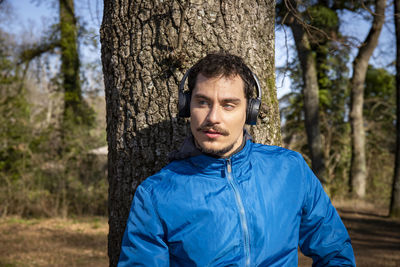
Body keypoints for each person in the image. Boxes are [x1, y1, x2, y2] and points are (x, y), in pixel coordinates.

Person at [118, 52, 356, 266]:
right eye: (202, 102)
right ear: (186, 107)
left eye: (228, 105)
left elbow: (335, 253)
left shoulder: (290, 170)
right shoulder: (155, 194)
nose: (213, 117)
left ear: (249, 112)